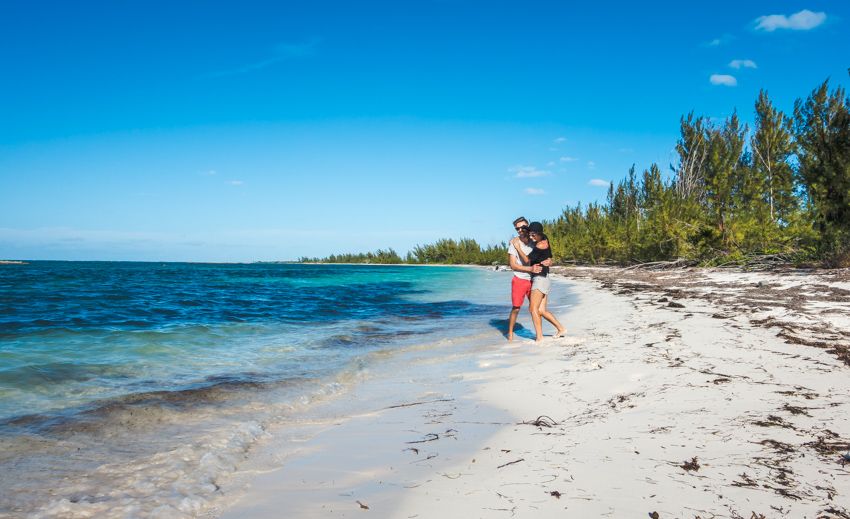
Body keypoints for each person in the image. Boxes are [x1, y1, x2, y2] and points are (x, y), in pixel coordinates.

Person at [510, 221, 566, 342]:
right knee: (541, 310)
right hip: (545, 278)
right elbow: (549, 256)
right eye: (530, 234)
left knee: (532, 309)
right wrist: (523, 229)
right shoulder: (545, 238)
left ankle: (539, 338)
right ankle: (561, 328)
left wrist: (518, 247)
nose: (531, 237)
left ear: (540, 233)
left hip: (539, 279)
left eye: (534, 235)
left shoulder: (540, 245)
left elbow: (526, 260)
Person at [506, 216, 549, 341]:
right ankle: (510, 333)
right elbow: (513, 265)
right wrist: (530, 269)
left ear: (528, 227)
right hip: (519, 279)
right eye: (517, 229)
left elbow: (545, 251)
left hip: (535, 279)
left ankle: (539, 336)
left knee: (535, 309)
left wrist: (549, 260)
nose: (520, 230)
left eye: (522, 227)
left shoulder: (534, 239)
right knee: (516, 308)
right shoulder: (514, 243)